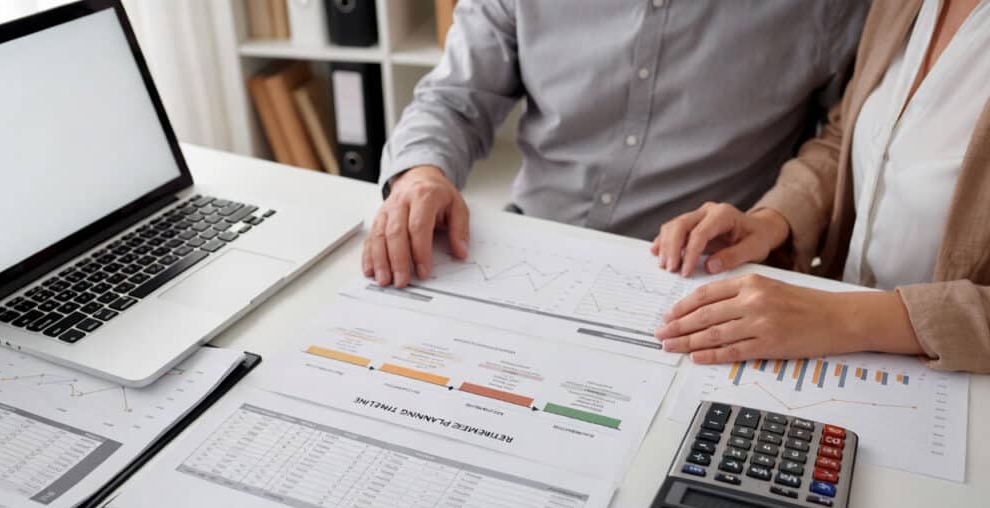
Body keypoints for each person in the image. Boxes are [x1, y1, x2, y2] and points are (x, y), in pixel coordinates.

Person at [362, 0, 871, 288]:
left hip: (695, 281)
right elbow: (454, 99)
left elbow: (844, 135)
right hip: (529, 251)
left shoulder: (826, 9)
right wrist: (422, 173)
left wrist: (775, 218)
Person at [652, 0, 990, 373]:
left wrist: (841, 317)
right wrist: (773, 220)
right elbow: (845, 134)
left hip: (950, 387)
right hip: (844, 353)